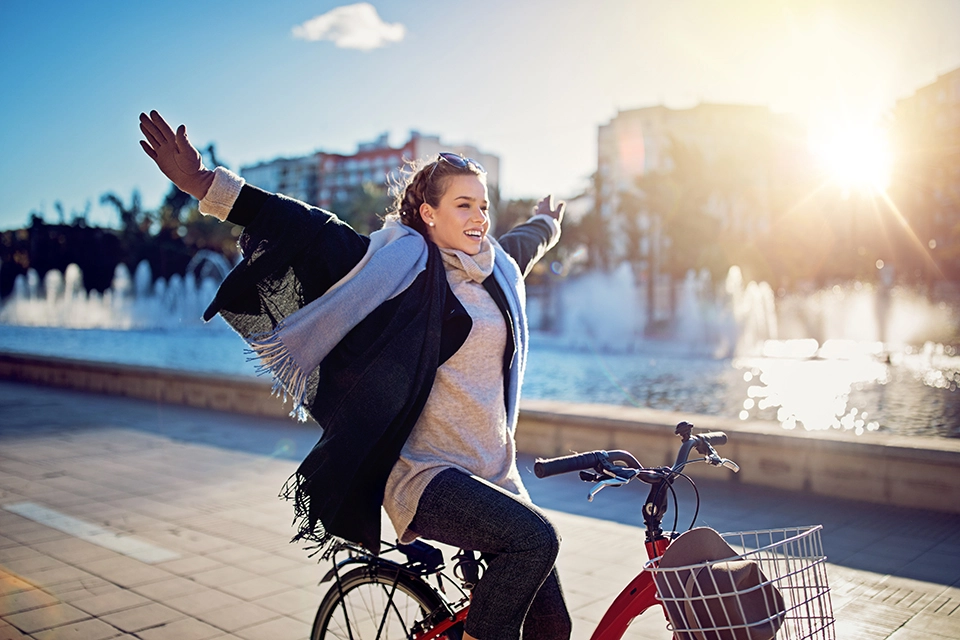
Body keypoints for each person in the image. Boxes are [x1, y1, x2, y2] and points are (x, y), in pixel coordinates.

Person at [138, 110, 572, 640]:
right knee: (536, 540)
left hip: (494, 475)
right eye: (463, 205)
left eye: (483, 205)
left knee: (553, 626)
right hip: (424, 473)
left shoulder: (496, 269)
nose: (479, 216)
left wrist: (547, 224)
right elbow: (306, 227)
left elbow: (524, 243)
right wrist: (203, 183)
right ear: (429, 213)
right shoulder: (398, 267)